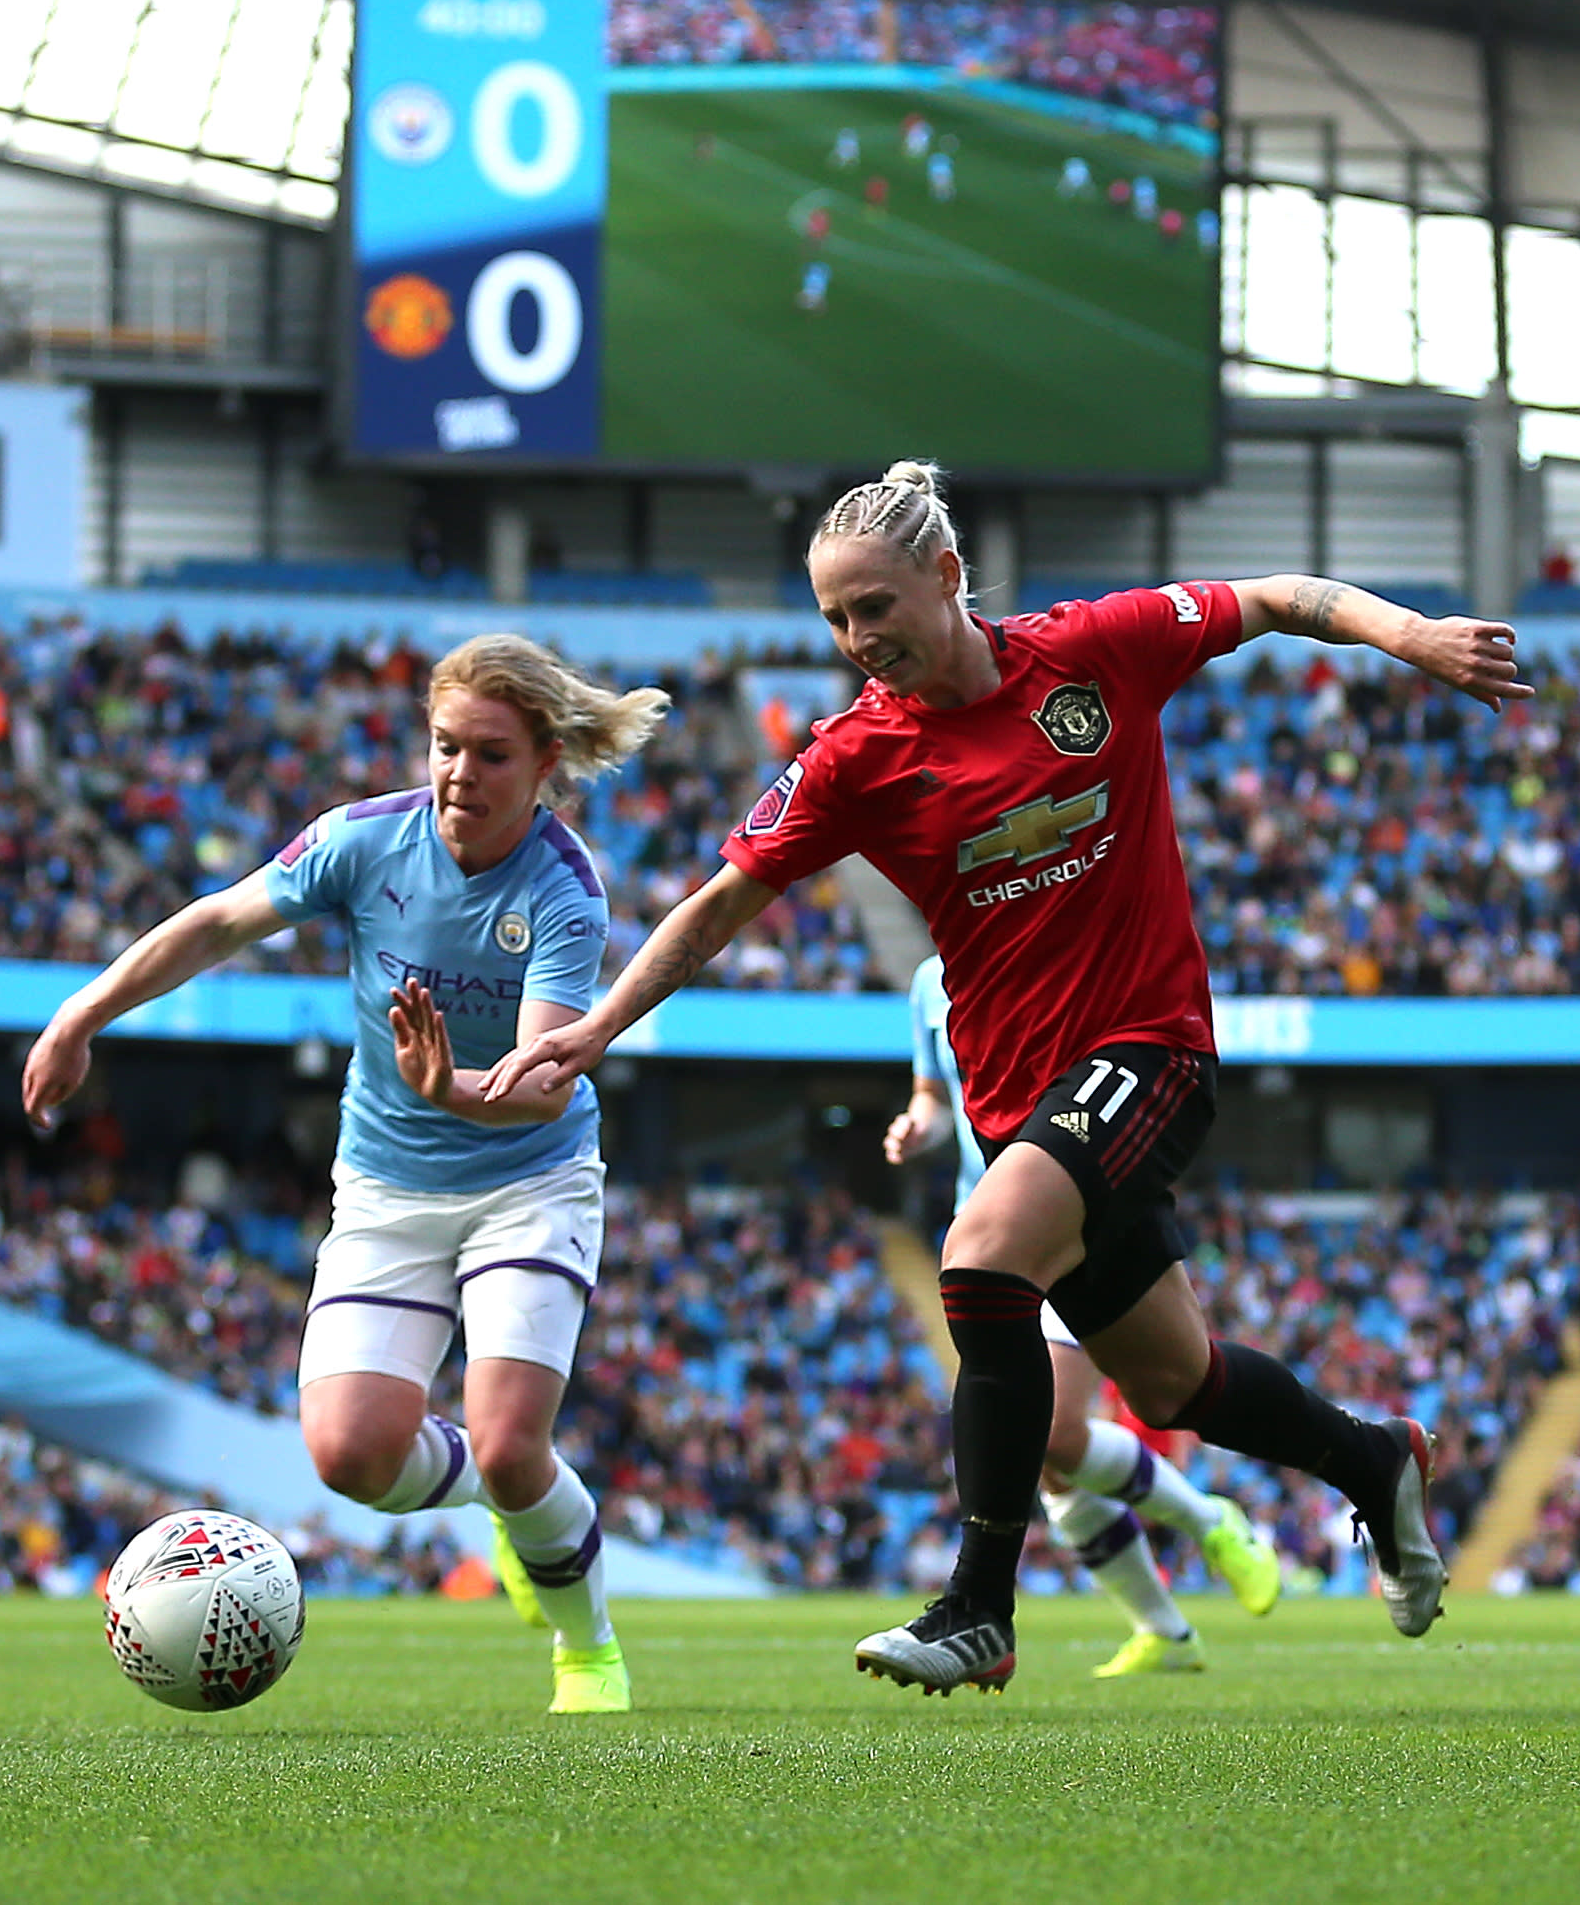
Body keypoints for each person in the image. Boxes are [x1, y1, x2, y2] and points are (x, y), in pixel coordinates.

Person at [482, 459, 1523, 1693]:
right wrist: (599, 1026)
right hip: (1017, 1093)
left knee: (979, 1256)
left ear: (947, 576)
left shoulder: (1095, 651)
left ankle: (980, 1608)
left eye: (875, 607)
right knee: (1173, 1380)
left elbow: (1282, 596)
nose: (858, 640)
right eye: (834, 619)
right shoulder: (853, 758)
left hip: (1149, 1049)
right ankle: (1373, 1461)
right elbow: (718, 908)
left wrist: (1418, 640)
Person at [26, 632, 668, 1714]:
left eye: (489, 755)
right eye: (443, 746)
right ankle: (500, 1497)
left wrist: (452, 1089)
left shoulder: (564, 888)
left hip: (528, 1180)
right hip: (385, 1183)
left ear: (545, 760)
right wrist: (82, 1010)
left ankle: (586, 1650)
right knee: (349, 1458)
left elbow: (550, 1080)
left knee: (518, 1446)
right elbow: (220, 920)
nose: (459, 773)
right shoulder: (364, 841)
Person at [884, 950, 1282, 1676]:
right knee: (1054, 1464)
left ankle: (1211, 1521)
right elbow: (933, 1095)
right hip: (984, 1231)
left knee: (1058, 1430)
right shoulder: (926, 982)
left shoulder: (1054, 949)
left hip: (1065, 1217)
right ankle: (1164, 1628)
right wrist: (917, 1125)